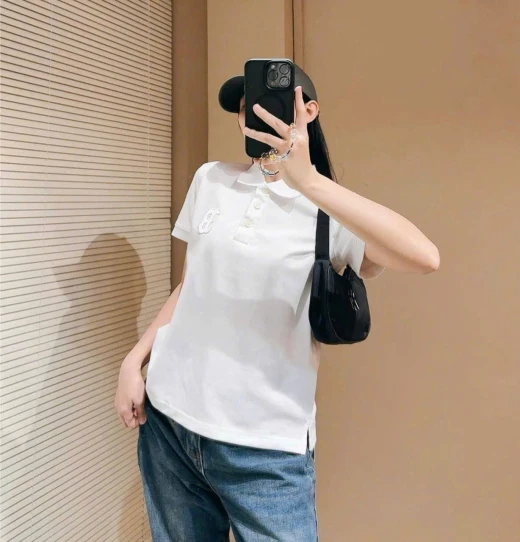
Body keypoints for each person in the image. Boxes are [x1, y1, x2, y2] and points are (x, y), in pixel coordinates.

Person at [114, 64, 440, 541]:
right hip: (169, 425)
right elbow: (191, 286)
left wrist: (309, 181)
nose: (254, 114)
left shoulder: (328, 208)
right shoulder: (211, 179)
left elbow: (425, 257)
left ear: (309, 111)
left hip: (264, 447)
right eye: (246, 107)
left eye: (271, 105)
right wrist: (134, 360)